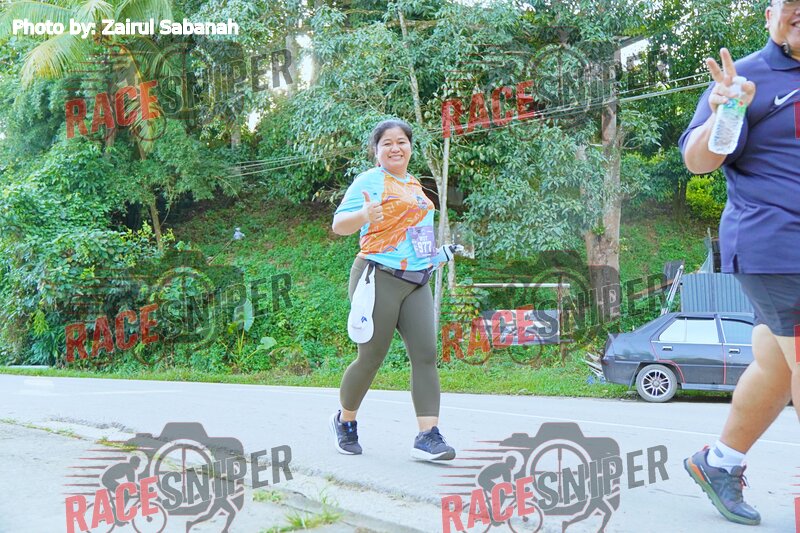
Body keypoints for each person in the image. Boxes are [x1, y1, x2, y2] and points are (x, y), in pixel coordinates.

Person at [679, 0, 800, 526]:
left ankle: (719, 462)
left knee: (777, 365)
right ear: (770, 14)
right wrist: (726, 111)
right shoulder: (745, 78)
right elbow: (698, 160)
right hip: (778, 247)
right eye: (792, 4)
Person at [329, 118, 460, 461]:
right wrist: (364, 214)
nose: (395, 147)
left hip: (417, 280)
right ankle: (345, 421)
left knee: (426, 355)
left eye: (401, 141)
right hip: (378, 276)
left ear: (410, 147)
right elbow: (339, 225)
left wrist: (437, 256)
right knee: (371, 357)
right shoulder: (370, 181)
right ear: (376, 151)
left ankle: (428, 436)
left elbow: (417, 237)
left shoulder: (415, 186)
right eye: (387, 143)